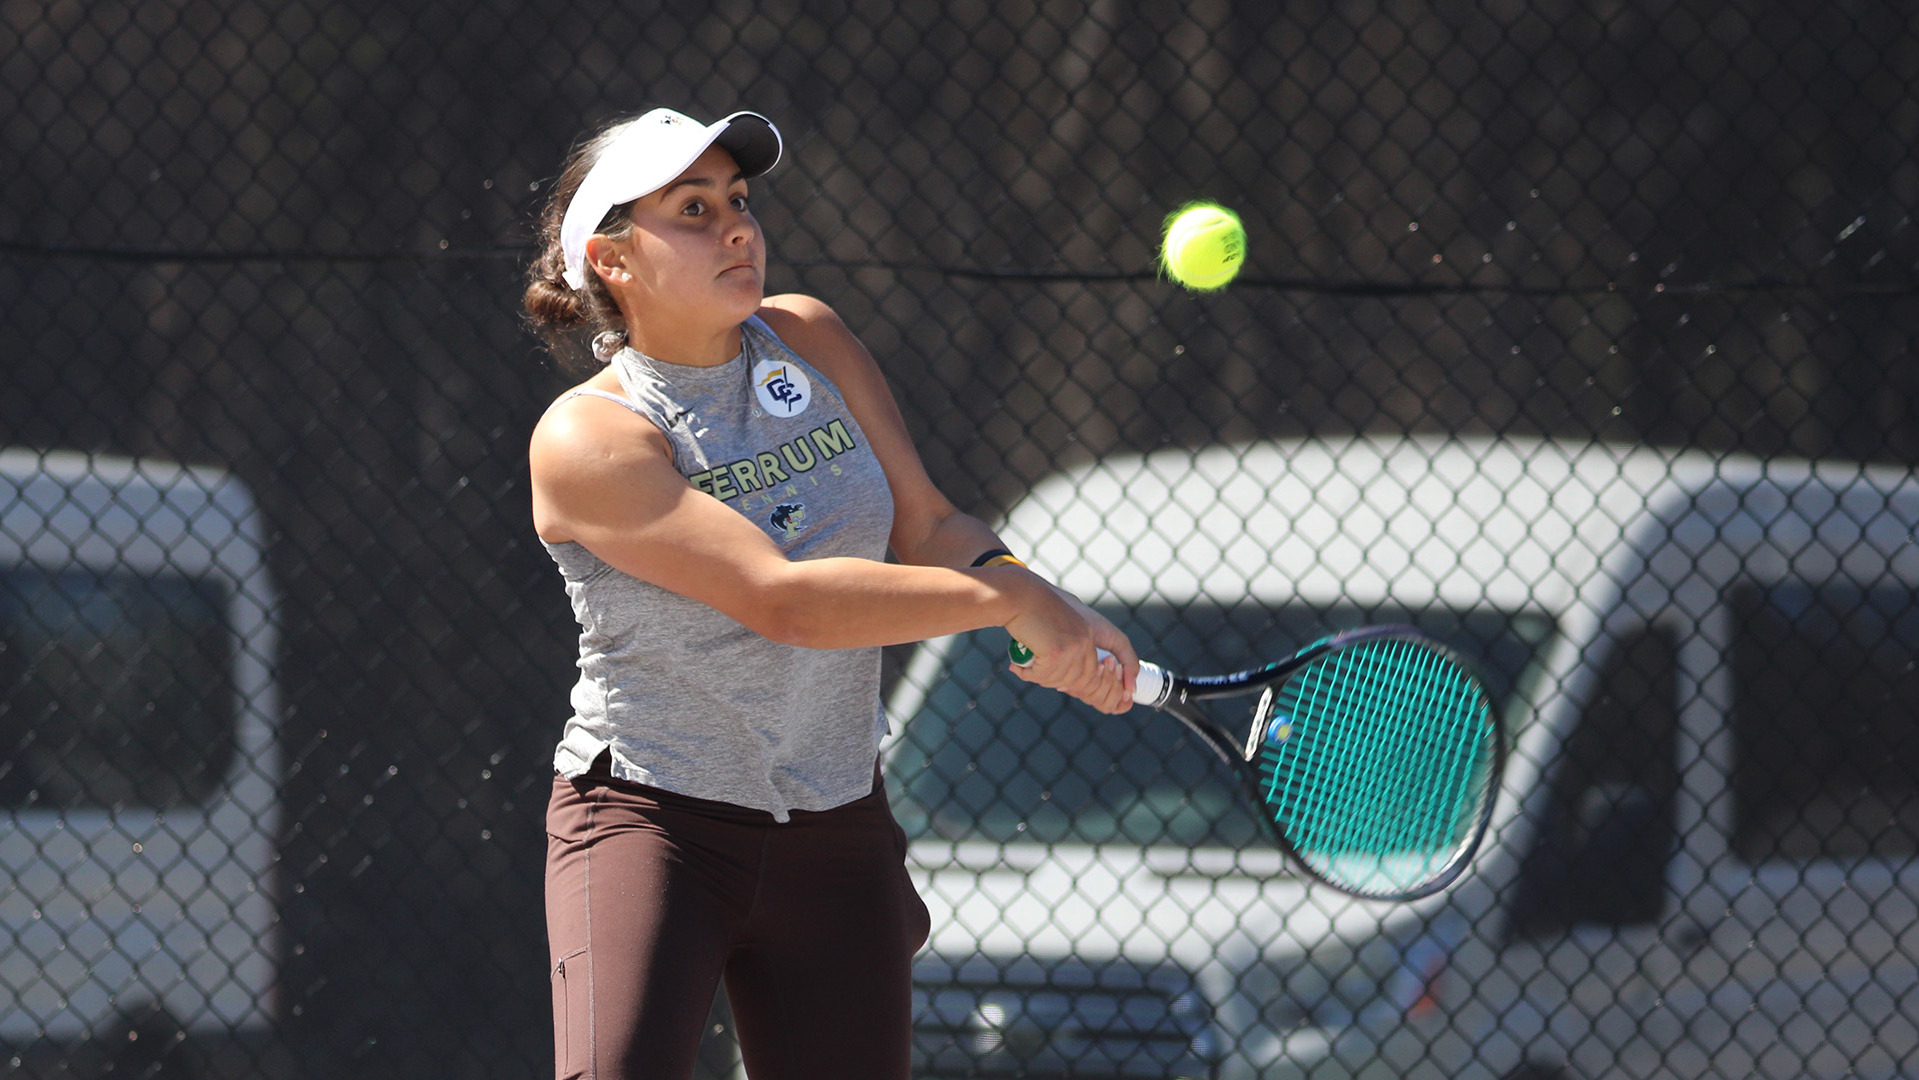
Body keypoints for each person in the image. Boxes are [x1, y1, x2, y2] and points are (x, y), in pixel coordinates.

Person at [520, 106, 1139, 1080]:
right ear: (612, 259)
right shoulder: (589, 440)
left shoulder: (808, 337)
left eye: (738, 200)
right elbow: (784, 600)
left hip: (837, 820)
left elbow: (933, 529)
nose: (736, 227)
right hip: (654, 823)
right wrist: (1005, 606)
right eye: (691, 208)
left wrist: (1030, 589)